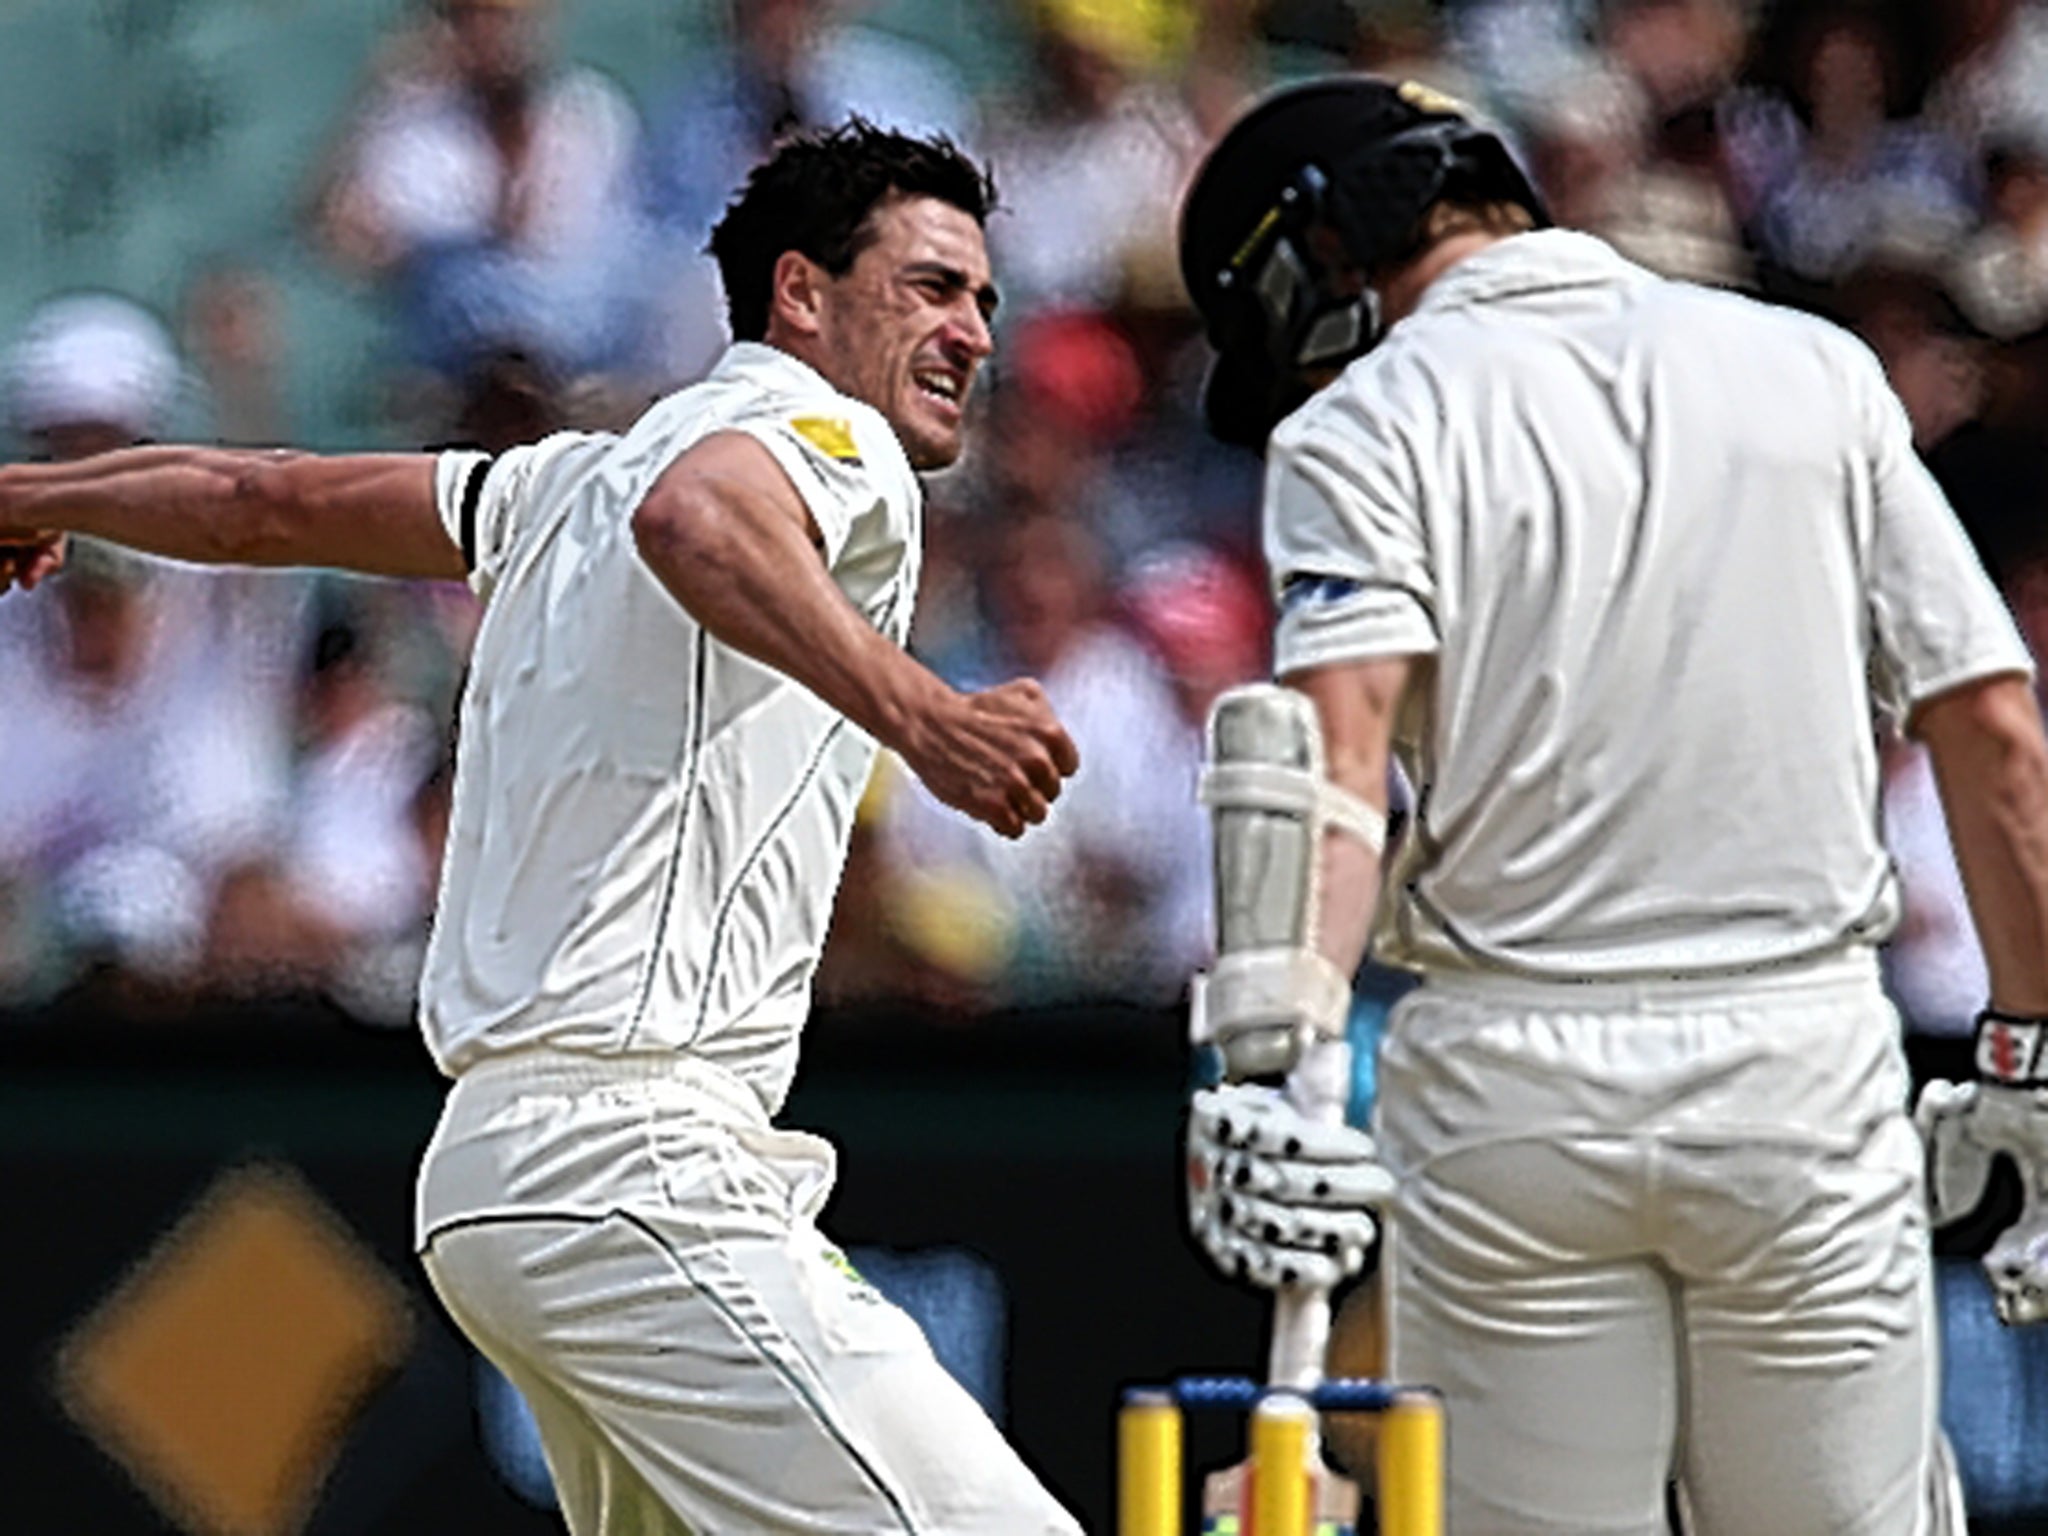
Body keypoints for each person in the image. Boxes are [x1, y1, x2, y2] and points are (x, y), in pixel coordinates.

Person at [0, 122, 1083, 1535]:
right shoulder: (834, 441)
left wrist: (40, 494)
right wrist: (922, 713)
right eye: (934, 286)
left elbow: (267, 500)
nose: (972, 333)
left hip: (496, 1179)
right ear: (803, 295)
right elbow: (700, 517)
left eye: (985, 301)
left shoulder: (562, 480)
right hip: (640, 1164)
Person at [1174, 76, 2048, 1535]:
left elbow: (1335, 759)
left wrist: (1283, 1062)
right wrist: (2029, 1058)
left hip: (1516, 1090)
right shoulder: (1813, 371)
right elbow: (1995, 726)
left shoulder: (1365, 428)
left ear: (1317, 258)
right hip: (1801, 1077)